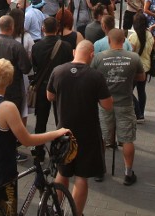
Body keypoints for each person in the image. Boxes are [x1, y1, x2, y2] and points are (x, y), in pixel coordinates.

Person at [0, 59, 71, 215]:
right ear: (9, 81)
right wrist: (56, 133)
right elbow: (26, 140)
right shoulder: (6, 107)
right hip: (0, 174)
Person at [48, 40, 113, 216]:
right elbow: (107, 105)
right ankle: (76, 213)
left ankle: (55, 208)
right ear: (91, 55)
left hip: (63, 132)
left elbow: (50, 96)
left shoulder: (58, 71)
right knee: (81, 177)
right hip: (88, 133)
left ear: (75, 52)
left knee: (62, 172)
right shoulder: (95, 76)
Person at [91, 28, 145, 186]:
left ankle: (100, 170)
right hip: (125, 103)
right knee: (127, 139)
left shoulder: (99, 58)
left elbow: (92, 75)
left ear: (109, 41)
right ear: (124, 41)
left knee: (102, 137)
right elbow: (141, 77)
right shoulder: (133, 58)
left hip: (104, 103)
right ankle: (128, 173)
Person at [30, 17, 73, 137]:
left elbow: (35, 66)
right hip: (61, 86)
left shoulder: (36, 47)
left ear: (43, 29)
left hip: (43, 85)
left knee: (41, 120)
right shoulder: (66, 46)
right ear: (57, 29)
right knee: (61, 119)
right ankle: (61, 147)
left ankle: (39, 150)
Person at [0, 15, 32, 120]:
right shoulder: (17, 46)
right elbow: (26, 68)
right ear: (12, 27)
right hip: (13, 89)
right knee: (12, 119)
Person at [127, 13, 155, 122]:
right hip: (146, 66)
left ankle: (138, 112)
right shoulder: (150, 35)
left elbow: (130, 52)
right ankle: (141, 113)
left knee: (128, 90)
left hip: (134, 68)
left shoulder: (134, 37)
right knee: (141, 90)